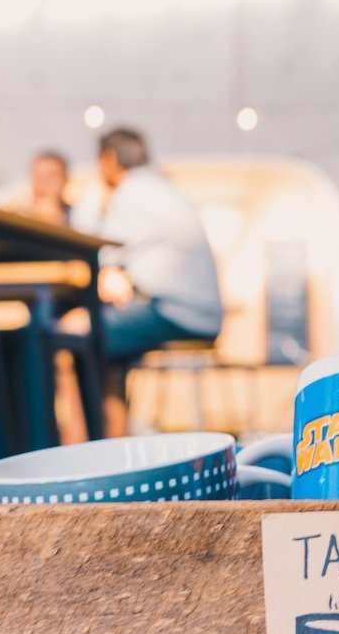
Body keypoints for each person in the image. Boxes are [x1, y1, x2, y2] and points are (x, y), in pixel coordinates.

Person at [58, 127, 224, 436]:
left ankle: (79, 444)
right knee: (106, 343)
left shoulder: (133, 192)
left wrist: (95, 193)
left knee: (71, 334)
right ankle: (112, 440)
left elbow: (95, 248)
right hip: (190, 311)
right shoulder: (158, 188)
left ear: (108, 159)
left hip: (178, 313)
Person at [13, 149, 71, 227]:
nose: (44, 181)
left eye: (51, 175)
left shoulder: (80, 215)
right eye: (38, 176)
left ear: (65, 178)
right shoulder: (16, 218)